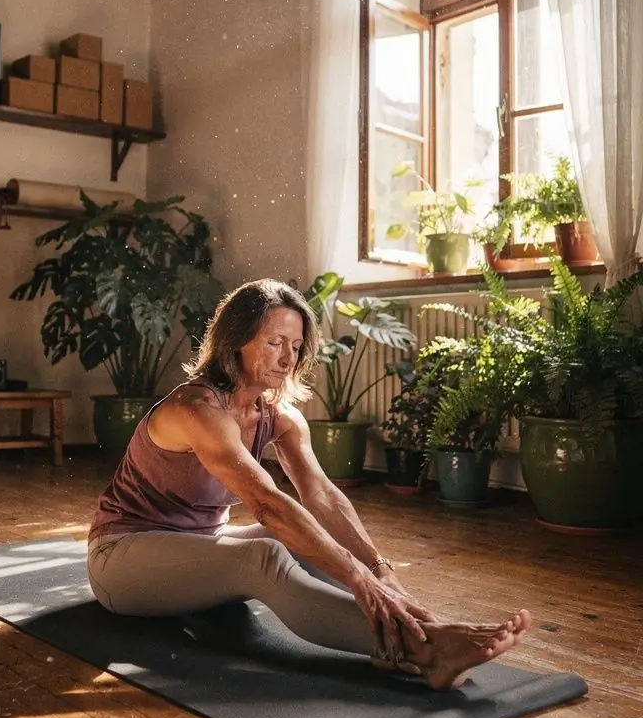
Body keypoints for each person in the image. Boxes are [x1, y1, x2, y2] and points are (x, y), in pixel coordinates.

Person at [88, 279, 531, 690]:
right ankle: (424, 649)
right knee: (265, 553)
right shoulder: (197, 408)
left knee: (305, 541)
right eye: (274, 342)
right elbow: (267, 503)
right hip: (123, 559)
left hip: (199, 548)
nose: (287, 357)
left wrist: (380, 572)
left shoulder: (278, 417)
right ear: (235, 341)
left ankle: (420, 628)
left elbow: (321, 496)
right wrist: (356, 578)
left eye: (296, 346)